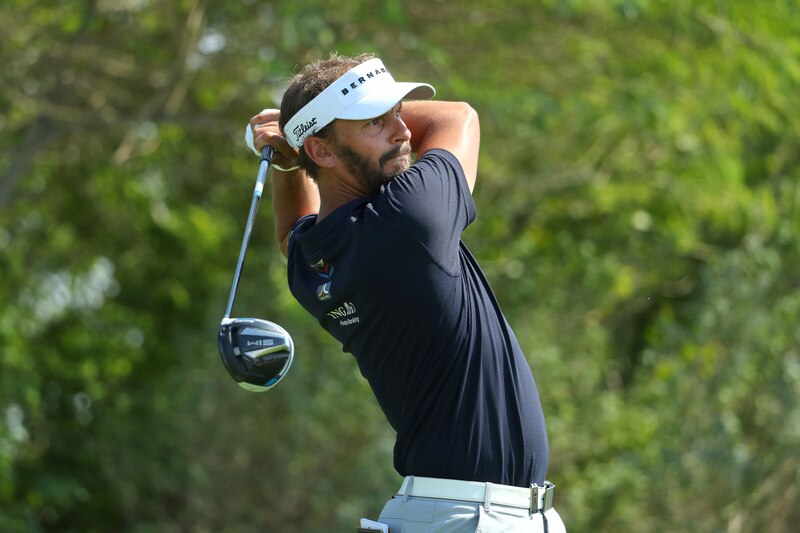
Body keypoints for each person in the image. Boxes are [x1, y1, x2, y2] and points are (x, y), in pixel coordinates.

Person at [247, 53, 566, 533]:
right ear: (324, 150)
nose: (401, 131)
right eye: (376, 121)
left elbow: (291, 229)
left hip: (452, 514)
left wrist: (298, 150)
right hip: (472, 519)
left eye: (398, 111)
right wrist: (297, 139)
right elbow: (459, 117)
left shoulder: (313, 264)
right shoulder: (407, 217)